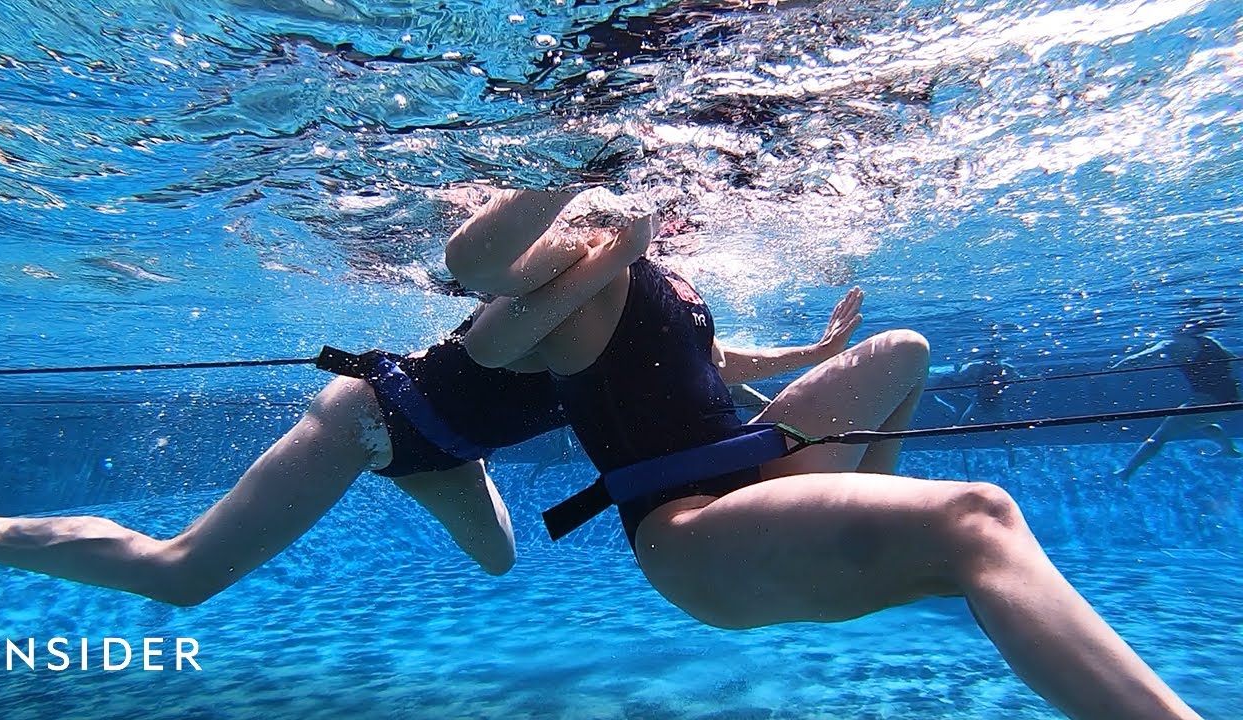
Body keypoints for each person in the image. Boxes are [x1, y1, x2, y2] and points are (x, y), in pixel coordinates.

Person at [446, 189, 1203, 720]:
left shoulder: (650, 268)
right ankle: (908, 548)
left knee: (902, 350)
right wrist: (604, 220)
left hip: (754, 483)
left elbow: (710, 361)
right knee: (976, 517)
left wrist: (812, 353)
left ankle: (861, 539)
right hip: (691, 534)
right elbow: (481, 300)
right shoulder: (573, 279)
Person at [0, 195, 655, 606]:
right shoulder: (574, 293)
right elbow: (492, 337)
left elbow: (698, 377)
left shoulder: (658, 333)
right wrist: (615, 247)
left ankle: (442, 451)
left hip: (450, 447)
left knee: (500, 560)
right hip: (371, 418)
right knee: (181, 576)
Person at [1111, 320, 1241, 482]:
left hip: (1206, 401)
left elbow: (1137, 359)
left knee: (1159, 437)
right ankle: (1229, 449)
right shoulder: (1210, 342)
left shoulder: (1169, 344)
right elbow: (1235, 362)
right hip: (1235, 397)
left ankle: (1127, 472)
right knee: (1202, 422)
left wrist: (1114, 369)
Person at [931, 352, 1021, 425]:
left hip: (995, 399)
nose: (992, 364)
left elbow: (1016, 380)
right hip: (981, 398)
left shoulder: (1008, 369)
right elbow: (960, 380)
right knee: (968, 418)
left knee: (999, 417)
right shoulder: (975, 368)